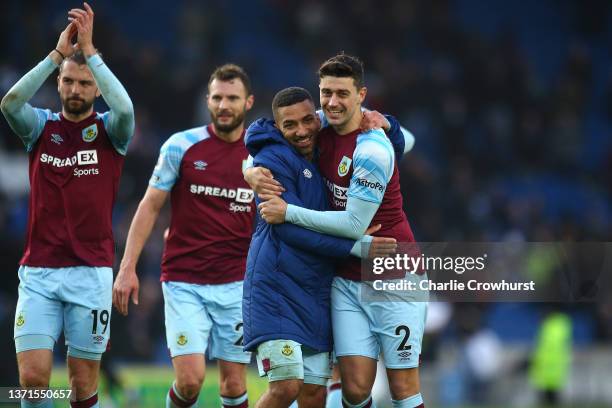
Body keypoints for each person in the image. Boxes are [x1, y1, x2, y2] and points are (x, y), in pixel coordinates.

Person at [254, 54, 426, 408]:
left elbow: (353, 226)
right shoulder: (318, 126)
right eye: (326, 92)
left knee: (403, 387)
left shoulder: (372, 148)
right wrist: (250, 171)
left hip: (393, 273)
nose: (332, 102)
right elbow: (263, 133)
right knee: (355, 388)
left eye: (342, 93)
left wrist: (288, 212)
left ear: (361, 94)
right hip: (346, 282)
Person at [1, 3, 135, 408]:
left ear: (96, 89)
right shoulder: (41, 127)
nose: (75, 90)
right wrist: (56, 56)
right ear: (58, 84)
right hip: (39, 271)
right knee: (33, 380)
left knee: (81, 384)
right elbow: (8, 103)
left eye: (83, 83)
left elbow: (126, 108)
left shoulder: (111, 132)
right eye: (68, 82)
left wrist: (91, 53)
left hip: (91, 273)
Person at [112, 64, 255, 408]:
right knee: (190, 381)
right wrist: (127, 267)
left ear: (248, 102)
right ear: (207, 100)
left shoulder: (262, 153)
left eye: (232, 98)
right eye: (217, 98)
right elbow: (149, 206)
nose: (224, 105)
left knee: (234, 384)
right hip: (184, 281)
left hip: (238, 283)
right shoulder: (181, 145)